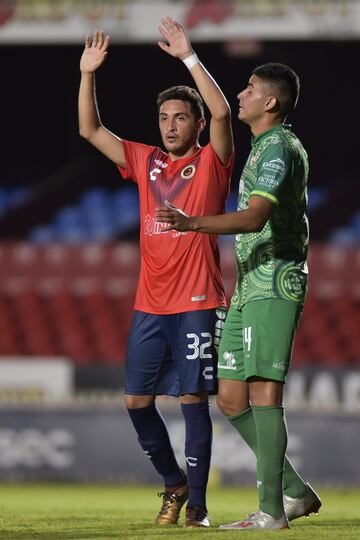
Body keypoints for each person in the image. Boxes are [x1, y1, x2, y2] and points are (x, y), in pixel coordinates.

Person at [78, 17, 234, 528]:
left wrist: (190, 56)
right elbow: (90, 130)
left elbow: (222, 111)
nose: (170, 125)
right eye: (164, 117)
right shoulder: (144, 161)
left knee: (192, 400)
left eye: (180, 117)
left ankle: (198, 510)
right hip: (150, 304)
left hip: (196, 302)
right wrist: (88, 75)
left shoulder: (213, 162)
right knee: (135, 400)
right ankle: (173, 482)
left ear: (194, 124)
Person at [156, 62, 322, 530]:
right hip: (248, 285)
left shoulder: (279, 149)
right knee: (229, 398)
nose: (242, 93)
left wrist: (192, 222)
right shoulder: (261, 147)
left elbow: (252, 219)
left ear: (270, 102)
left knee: (264, 391)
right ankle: (294, 490)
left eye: (249, 88)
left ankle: (272, 512)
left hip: (274, 282)